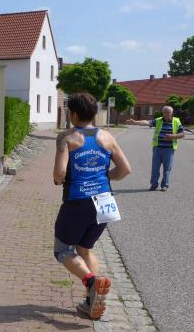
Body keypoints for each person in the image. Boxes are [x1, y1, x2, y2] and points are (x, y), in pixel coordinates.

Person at [54, 92, 131, 319]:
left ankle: (91, 281)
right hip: (105, 201)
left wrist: (59, 180)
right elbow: (125, 170)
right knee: (85, 249)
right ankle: (91, 301)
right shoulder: (108, 137)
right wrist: (104, 177)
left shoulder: (67, 138)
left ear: (74, 114)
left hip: (78, 201)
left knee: (62, 250)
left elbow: (59, 173)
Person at [125, 106, 184, 191]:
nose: (167, 115)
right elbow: (147, 122)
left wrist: (173, 136)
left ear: (172, 113)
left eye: (168, 113)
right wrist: (135, 122)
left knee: (167, 168)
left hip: (169, 149)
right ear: (163, 113)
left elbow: (182, 134)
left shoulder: (176, 121)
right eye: (165, 113)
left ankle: (164, 185)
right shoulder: (158, 120)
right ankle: (154, 184)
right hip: (157, 148)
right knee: (155, 168)